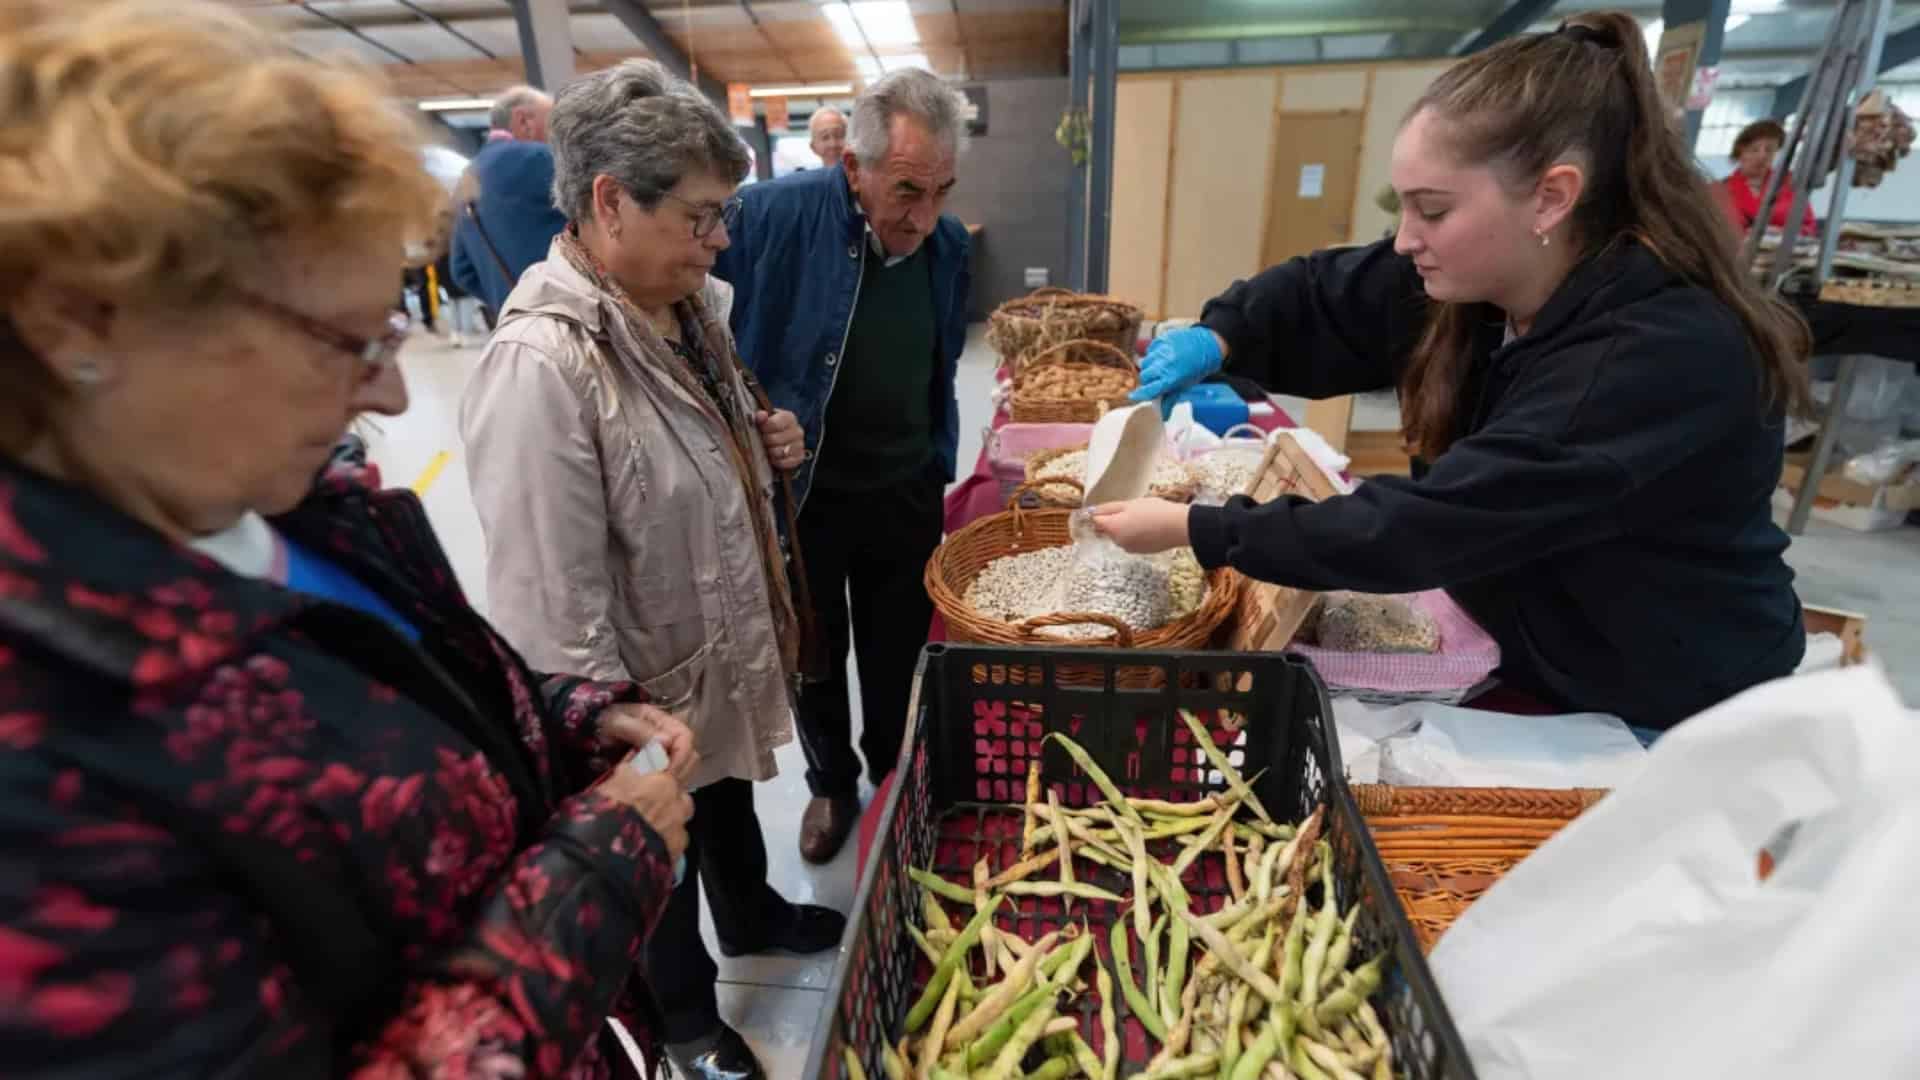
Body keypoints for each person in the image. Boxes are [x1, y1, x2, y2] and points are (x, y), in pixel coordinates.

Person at [0, 3, 700, 1076]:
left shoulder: (273, 503)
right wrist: (600, 874)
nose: (386, 388)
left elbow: (397, 694)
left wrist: (567, 719)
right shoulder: (46, 773)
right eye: (348, 339)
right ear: (81, 319)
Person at [1097, 12, 1811, 735]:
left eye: (1432, 211)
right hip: (1528, 646)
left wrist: (1200, 528)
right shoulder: (1482, 276)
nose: (1407, 239)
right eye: (1404, 207)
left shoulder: (1661, 353)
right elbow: (1326, 291)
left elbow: (1437, 522)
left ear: (1552, 196)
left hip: (1661, 702)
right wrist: (1222, 334)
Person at [458, 59, 842, 1080]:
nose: (721, 242)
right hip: (634, 686)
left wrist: (766, 446)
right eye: (703, 217)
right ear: (609, 203)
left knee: (724, 795)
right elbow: (548, 606)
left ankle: (752, 913)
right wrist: (604, 732)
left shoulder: (683, 306)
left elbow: (682, 464)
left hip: (701, 636)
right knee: (662, 843)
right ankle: (685, 1021)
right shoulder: (543, 367)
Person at [714, 69, 972, 864]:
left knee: (900, 646)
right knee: (815, 650)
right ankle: (832, 782)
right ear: (852, 168)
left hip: (904, 487)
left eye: (940, 192)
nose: (924, 218)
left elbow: (941, 359)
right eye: (906, 191)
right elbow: (693, 319)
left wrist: (933, 456)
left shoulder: (949, 246)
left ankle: (895, 775)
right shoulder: (767, 217)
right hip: (806, 492)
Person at [449, 85, 568, 320]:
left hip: (514, 326)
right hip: (571, 318)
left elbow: (461, 271)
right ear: (523, 120)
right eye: (553, 123)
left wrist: (509, 299)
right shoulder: (542, 158)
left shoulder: (466, 177)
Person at [1720, 118, 1818, 240]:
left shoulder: (1791, 183)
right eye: (1754, 149)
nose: (1762, 156)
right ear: (1739, 152)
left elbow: (1809, 227)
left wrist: (1782, 233)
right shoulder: (1719, 190)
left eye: (1769, 150)